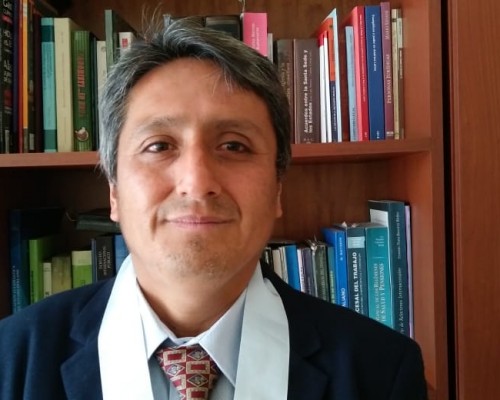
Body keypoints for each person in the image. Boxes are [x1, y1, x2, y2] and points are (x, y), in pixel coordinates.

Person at [0, 18, 427, 400]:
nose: (197, 181)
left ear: (277, 188)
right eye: (159, 146)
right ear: (114, 191)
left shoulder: (380, 371)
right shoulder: (10, 360)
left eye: (234, 146)